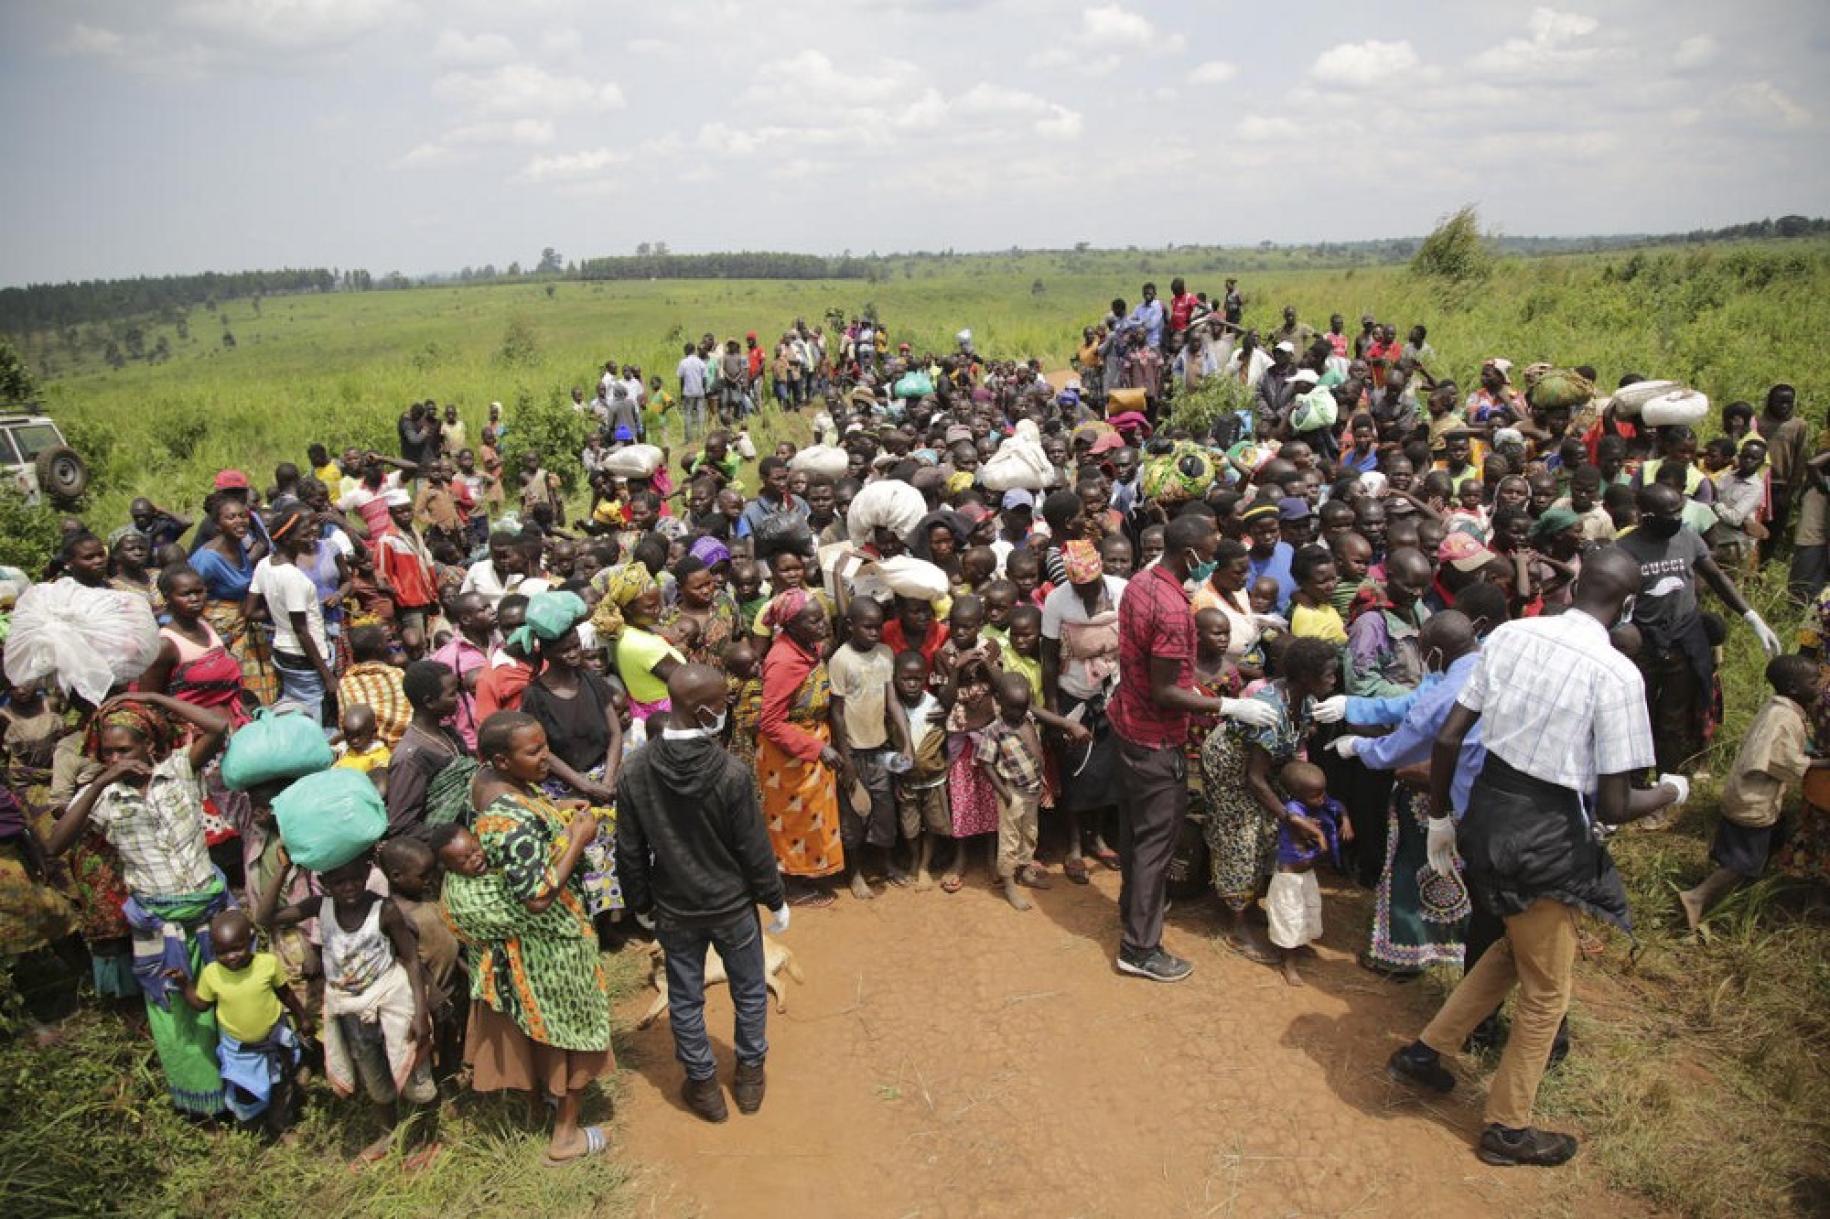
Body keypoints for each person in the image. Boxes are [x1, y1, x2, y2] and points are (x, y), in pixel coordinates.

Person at [1386, 548, 1688, 1168]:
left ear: (1574, 587)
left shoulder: (1509, 637)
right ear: (1629, 604)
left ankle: (1426, 1052)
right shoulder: (1617, 675)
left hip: (1486, 817)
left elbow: (1449, 735)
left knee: (1513, 947)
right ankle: (1507, 1127)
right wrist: (1672, 792)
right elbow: (1615, 802)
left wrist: (1441, 817)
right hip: (1544, 835)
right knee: (1548, 991)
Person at [1108, 513, 1278, 983]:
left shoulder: (1141, 583)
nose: (1213, 559)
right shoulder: (1171, 609)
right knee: (1156, 846)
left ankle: (1132, 909)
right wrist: (1229, 705)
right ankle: (1140, 948)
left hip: (1127, 725)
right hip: (1155, 738)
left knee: (1134, 833)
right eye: (1209, 551)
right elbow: (1167, 691)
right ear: (1190, 554)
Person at [47, 692, 234, 1119]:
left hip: (209, 913)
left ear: (149, 745)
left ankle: (247, 1093)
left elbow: (218, 727)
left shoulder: (179, 771)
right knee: (175, 1014)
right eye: (108, 752)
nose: (116, 759)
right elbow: (55, 844)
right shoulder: (104, 797)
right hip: (157, 924)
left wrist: (151, 696)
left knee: (229, 998)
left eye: (124, 750)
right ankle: (204, 1106)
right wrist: (99, 782)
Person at [616, 664, 789, 1123]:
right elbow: (753, 846)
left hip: (675, 907)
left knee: (685, 997)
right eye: (722, 702)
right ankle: (749, 1077)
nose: (726, 708)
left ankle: (704, 1086)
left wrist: (641, 904)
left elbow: (629, 849)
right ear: (705, 710)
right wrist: (774, 899)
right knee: (749, 991)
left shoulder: (635, 771)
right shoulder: (731, 772)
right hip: (732, 905)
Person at [448, 712, 615, 1163]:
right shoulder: (509, 822)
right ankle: (566, 1138)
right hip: (553, 939)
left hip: (525, 946)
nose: (546, 757)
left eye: (545, 745)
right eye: (534, 751)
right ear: (502, 760)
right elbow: (538, 896)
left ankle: (540, 1107)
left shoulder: (492, 784)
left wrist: (555, 813)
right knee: (574, 1027)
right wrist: (577, 839)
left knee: (541, 1026)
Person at [258, 849, 438, 1167]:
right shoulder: (320, 907)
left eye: (356, 879)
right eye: (340, 882)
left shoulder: (384, 909)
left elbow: (411, 959)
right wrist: (283, 869)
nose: (350, 887)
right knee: (373, 1074)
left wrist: (421, 1015)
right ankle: (388, 1134)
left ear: (367, 874)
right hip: (350, 1007)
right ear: (325, 882)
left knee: (413, 1069)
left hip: (391, 1000)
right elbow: (264, 918)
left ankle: (426, 1136)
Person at [1331, 611, 1484, 974]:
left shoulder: (1444, 694)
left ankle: (1402, 954)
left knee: (1408, 867)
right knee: (1460, 874)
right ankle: (1455, 948)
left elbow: (1395, 751)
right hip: (1484, 798)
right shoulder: (1496, 667)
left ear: (1435, 652)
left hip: (1434, 793)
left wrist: (1356, 746)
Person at [1618, 484, 1781, 777]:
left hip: (1683, 639)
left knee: (1674, 719)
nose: (1676, 519)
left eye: (1678, 512)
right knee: (1639, 716)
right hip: (1643, 642)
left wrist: (1751, 616)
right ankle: (1636, 783)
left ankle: (1668, 781)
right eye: (1668, 515)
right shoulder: (1623, 550)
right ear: (1645, 515)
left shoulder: (1687, 537)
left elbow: (1716, 577)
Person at [1678, 654, 1827, 931]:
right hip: (1754, 801)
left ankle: (1742, 893)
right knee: (1744, 863)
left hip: (1746, 794)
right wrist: (1821, 763)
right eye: (1814, 681)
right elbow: (1783, 761)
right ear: (1794, 688)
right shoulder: (1784, 718)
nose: (1820, 684)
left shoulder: (1778, 709)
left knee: (1765, 844)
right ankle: (1697, 897)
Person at [165, 908, 307, 1136]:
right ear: (213, 949)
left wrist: (302, 1017)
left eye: (237, 948)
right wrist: (184, 984)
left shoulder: (267, 964)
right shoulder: (212, 974)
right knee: (245, 1092)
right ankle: (254, 1131)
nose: (231, 957)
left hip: (274, 1042)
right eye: (222, 952)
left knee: (281, 1085)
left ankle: (283, 1125)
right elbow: (201, 1004)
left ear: (250, 940)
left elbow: (286, 994)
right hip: (241, 1052)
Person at [756, 590, 848, 905]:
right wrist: (817, 749)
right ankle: (789, 883)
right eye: (814, 620)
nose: (823, 624)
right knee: (791, 818)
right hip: (789, 754)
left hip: (810, 742)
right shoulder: (782, 660)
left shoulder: (808, 646)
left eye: (822, 616)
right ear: (792, 625)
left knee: (810, 815)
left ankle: (809, 872)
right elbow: (770, 722)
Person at [828, 598, 909, 900]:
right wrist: (845, 758)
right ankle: (855, 872)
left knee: (884, 810)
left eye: (878, 627)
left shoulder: (885, 654)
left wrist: (907, 743)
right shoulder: (841, 660)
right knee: (852, 815)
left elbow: (892, 702)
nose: (875, 632)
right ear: (850, 626)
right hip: (853, 750)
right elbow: (836, 712)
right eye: (868, 627)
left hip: (880, 748)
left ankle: (885, 863)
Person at [247, 507, 336, 726]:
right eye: (305, 532)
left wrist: (278, 611)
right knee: (311, 714)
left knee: (292, 706)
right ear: (287, 539)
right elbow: (301, 630)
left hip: (282, 650)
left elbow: (249, 611)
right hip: (305, 656)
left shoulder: (264, 564)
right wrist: (327, 676)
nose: (313, 534)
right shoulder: (293, 578)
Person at [1267, 761, 1347, 986]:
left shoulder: (1316, 801)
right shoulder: (1293, 808)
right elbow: (1293, 820)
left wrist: (1346, 821)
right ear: (1296, 794)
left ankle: (1300, 945)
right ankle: (1288, 962)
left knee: (1308, 910)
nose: (1322, 799)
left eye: (1323, 793)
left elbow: (1337, 805)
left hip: (1307, 873)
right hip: (1289, 878)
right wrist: (1319, 835)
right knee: (1289, 916)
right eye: (1315, 796)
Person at [980, 671, 1048, 912]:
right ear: (998, 701)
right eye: (1013, 708)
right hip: (1012, 792)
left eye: (1022, 707)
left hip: (1033, 790)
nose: (1018, 713)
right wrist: (1004, 793)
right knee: (1009, 839)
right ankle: (1008, 883)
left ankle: (1025, 870)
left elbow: (1036, 752)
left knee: (1030, 833)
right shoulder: (994, 730)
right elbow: (985, 763)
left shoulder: (1028, 718)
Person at [384, 661, 466, 836]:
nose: (458, 698)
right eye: (452, 694)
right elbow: (402, 824)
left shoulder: (448, 734)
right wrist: (449, 838)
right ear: (429, 702)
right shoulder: (410, 758)